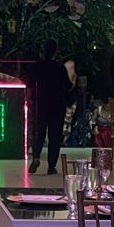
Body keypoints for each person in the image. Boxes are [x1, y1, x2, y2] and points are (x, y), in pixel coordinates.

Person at [29, 39, 75, 174]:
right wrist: (73, 80)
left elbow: (30, 84)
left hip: (40, 103)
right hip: (57, 105)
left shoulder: (38, 66)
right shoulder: (59, 67)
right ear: (55, 51)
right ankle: (51, 166)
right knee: (54, 135)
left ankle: (36, 156)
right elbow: (68, 86)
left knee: (39, 132)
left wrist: (30, 101)